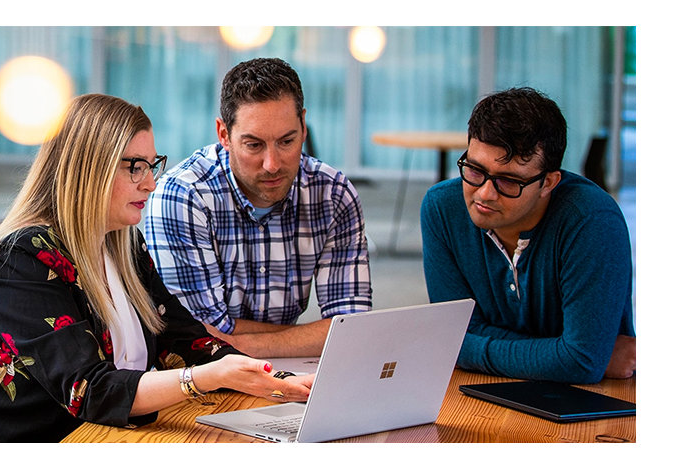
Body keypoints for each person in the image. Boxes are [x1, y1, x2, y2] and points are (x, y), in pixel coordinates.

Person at [0, 94, 313, 443]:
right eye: (134, 167)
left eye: (152, 164)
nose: (151, 183)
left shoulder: (120, 242)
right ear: (88, 170)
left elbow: (182, 336)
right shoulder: (21, 257)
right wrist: (208, 378)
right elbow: (90, 391)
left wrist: (274, 381)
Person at [145, 58, 372, 358]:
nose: (272, 164)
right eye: (254, 145)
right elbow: (199, 339)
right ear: (224, 134)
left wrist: (243, 341)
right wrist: (318, 333)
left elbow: (353, 330)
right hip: (203, 380)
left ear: (304, 126)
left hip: (293, 372)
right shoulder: (183, 197)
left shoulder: (333, 194)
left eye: (287, 141)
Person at [420, 87, 635, 384]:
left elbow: (582, 362)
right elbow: (450, 337)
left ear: (548, 182)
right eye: (474, 169)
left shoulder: (592, 221)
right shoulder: (442, 208)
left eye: (508, 181)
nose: (484, 193)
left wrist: (465, 348)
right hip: (483, 391)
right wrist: (558, 352)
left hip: (590, 404)